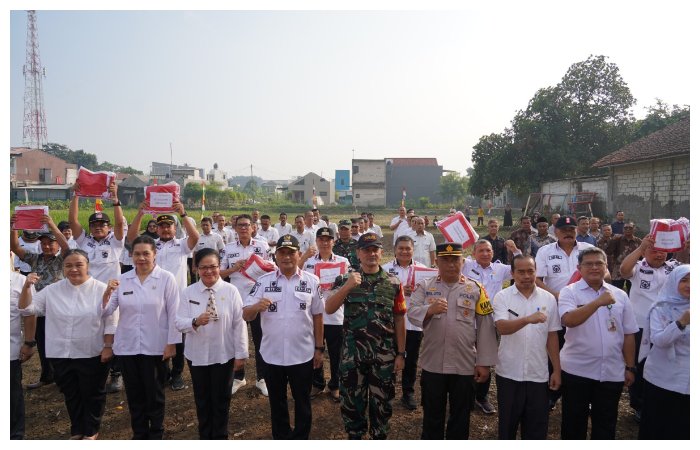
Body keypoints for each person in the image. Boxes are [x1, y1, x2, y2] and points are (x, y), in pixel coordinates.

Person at [20, 249, 117, 440]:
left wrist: (108, 346)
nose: (73, 269)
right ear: (63, 268)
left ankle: (91, 430)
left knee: (92, 393)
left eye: (79, 265)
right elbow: (28, 308)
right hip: (60, 352)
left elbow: (112, 320)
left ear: (87, 266)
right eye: (68, 265)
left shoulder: (101, 289)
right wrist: (26, 288)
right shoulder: (52, 290)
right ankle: (77, 429)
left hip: (91, 351)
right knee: (71, 393)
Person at [408, 242, 498, 439]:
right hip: (433, 364)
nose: (450, 264)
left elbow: (485, 327)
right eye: (445, 260)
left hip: (464, 364)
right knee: (432, 414)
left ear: (463, 261)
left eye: (455, 260)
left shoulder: (476, 289)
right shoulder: (425, 286)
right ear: (436, 261)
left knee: (461, 414)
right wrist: (429, 310)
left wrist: (484, 363)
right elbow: (412, 312)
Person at [325, 232, 407, 440]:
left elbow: (399, 318)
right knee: (352, 403)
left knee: (382, 403)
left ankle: (379, 437)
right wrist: (347, 286)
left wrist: (401, 353)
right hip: (352, 356)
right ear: (358, 253)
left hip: (384, 356)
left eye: (375, 249)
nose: (371, 253)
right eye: (366, 249)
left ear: (381, 253)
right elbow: (329, 308)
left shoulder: (394, 283)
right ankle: (355, 436)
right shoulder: (345, 279)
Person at [243, 235, 324, 439]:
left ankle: (300, 438)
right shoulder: (263, 282)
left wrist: (319, 348)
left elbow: (318, 316)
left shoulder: (312, 281)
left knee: (302, 401)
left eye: (291, 252)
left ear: (298, 254)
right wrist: (255, 307)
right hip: (272, 355)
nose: (287, 257)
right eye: (282, 252)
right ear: (276, 255)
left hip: (303, 354)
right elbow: (246, 314)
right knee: (277, 403)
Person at [102, 235, 181, 439]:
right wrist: (106, 293)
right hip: (127, 347)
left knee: (154, 394)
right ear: (131, 256)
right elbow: (105, 311)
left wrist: (172, 343)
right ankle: (139, 434)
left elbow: (174, 314)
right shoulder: (124, 279)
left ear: (155, 254)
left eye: (146, 253)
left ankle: (156, 433)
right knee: (134, 394)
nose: (142, 258)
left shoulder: (166, 278)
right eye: (137, 254)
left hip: (155, 346)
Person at [558, 247, 638, 439]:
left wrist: (630, 367)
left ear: (606, 266)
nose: (594, 267)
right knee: (573, 422)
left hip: (611, 371)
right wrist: (597, 302)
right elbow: (568, 320)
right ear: (579, 267)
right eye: (589, 263)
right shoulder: (569, 292)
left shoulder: (620, 295)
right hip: (577, 370)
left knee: (606, 422)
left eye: (599, 263)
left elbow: (628, 333)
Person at [176, 248, 249, 439]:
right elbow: (178, 322)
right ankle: (205, 435)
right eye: (204, 267)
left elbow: (239, 324)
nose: (209, 271)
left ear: (219, 267)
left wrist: (241, 354)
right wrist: (194, 321)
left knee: (221, 399)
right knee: (202, 399)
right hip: (196, 355)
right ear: (196, 269)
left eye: (213, 267)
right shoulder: (188, 292)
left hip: (223, 354)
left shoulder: (231, 290)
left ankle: (220, 436)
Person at [127, 201, 199, 391]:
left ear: (175, 228)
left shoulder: (182, 246)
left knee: (179, 336)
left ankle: (177, 374)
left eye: (169, 225)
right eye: (162, 226)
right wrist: (140, 213)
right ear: (157, 229)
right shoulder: (151, 246)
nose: (165, 229)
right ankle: (163, 372)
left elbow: (195, 237)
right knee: (158, 334)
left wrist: (183, 213)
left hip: (178, 298)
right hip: (153, 298)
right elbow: (131, 237)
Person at [492, 255, 561, 439]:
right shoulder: (502, 297)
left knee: (536, 429)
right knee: (507, 427)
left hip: (538, 374)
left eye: (530, 271)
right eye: (521, 272)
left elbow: (552, 335)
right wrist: (527, 319)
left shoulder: (549, 299)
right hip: (509, 373)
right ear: (513, 273)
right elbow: (502, 328)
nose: (526, 276)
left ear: (536, 272)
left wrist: (557, 370)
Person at [619, 233, 681, 422]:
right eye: (653, 250)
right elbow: (623, 270)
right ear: (645, 252)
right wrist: (640, 247)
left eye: (663, 251)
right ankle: (639, 405)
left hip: (668, 327)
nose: (659, 255)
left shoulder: (675, 268)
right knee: (638, 365)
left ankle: (661, 402)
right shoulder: (638, 268)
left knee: (666, 364)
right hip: (640, 327)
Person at [534, 215, 594, 409]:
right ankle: (553, 392)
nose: (568, 233)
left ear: (576, 231)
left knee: (584, 347)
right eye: (563, 230)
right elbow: (537, 279)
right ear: (556, 232)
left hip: (585, 309)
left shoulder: (588, 250)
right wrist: (558, 296)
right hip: (556, 307)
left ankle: (583, 394)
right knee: (556, 348)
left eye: (572, 229)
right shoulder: (545, 251)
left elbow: (604, 273)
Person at [10, 215, 70, 390]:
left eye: (50, 243)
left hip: (57, 310)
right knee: (43, 345)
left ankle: (63, 379)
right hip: (39, 311)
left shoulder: (62, 259)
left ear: (57, 245)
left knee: (59, 345)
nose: (46, 246)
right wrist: (14, 227)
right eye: (43, 243)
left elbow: (66, 246)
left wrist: (51, 223)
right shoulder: (35, 258)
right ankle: (47, 376)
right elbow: (15, 247)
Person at [461, 238, 519, 414]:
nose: (485, 254)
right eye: (481, 251)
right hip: (467, 319)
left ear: (493, 253)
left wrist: (515, 251)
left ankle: (482, 397)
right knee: (466, 358)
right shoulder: (466, 266)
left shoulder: (500, 269)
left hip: (490, 322)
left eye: (488, 251)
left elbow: (521, 267)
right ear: (474, 253)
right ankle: (466, 396)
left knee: (485, 358)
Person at [219, 214, 271, 396]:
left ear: (252, 228)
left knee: (260, 339)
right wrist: (234, 268)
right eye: (240, 225)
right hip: (235, 300)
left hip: (257, 300)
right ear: (235, 228)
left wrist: (264, 267)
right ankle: (238, 377)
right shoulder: (228, 248)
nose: (243, 228)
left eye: (246, 225)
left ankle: (262, 378)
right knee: (236, 340)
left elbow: (271, 268)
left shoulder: (262, 246)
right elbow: (219, 274)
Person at [638, 265, 689, 440]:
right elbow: (659, 341)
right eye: (684, 280)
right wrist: (681, 323)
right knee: (658, 428)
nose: (689, 285)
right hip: (663, 379)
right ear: (674, 282)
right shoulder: (660, 308)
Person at [301, 227, 349, 401]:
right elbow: (298, 276)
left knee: (337, 353)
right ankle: (317, 383)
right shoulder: (309, 262)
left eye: (328, 239)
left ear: (333, 242)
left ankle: (335, 385)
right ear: (317, 241)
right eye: (321, 239)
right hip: (314, 314)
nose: (324, 242)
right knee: (315, 350)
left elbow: (348, 284)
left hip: (336, 315)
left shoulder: (343, 262)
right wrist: (304, 256)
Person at [381, 235, 426, 410]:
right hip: (391, 323)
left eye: (408, 248)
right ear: (395, 250)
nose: (404, 251)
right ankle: (388, 392)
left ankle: (408, 392)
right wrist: (400, 289)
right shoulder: (384, 269)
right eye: (401, 248)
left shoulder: (422, 270)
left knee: (412, 358)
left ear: (413, 250)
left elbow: (429, 294)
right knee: (390, 357)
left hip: (414, 323)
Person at [10, 266, 36, 440]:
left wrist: (28, 342)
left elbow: (29, 314)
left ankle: (15, 435)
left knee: (11, 395)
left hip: (8, 350)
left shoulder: (20, 281)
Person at [605, 222, 642, 292]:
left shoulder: (638, 241)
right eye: (625, 228)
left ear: (634, 229)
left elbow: (642, 256)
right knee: (616, 292)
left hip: (633, 269)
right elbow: (608, 252)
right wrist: (612, 240)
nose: (628, 229)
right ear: (623, 229)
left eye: (630, 228)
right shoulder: (617, 239)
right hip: (618, 270)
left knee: (632, 291)